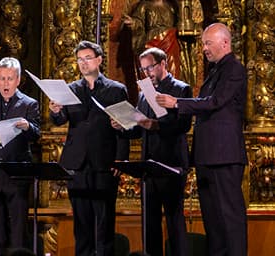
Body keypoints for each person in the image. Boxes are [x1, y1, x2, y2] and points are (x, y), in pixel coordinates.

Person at [156, 23, 248, 256]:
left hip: (224, 155)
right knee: (213, 221)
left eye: (208, 43)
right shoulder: (215, 71)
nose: (204, 48)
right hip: (207, 155)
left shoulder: (234, 69)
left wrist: (177, 102)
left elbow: (215, 102)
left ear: (225, 43)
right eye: (203, 43)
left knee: (229, 218)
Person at [49, 40, 128, 256]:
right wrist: (56, 111)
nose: (83, 63)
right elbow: (59, 120)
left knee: (103, 227)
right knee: (81, 227)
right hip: (77, 165)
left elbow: (124, 128)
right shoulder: (71, 89)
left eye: (87, 58)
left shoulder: (116, 90)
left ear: (99, 60)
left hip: (104, 163)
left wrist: (121, 159)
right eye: (79, 60)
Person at [113, 47, 191, 256]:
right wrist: (123, 127)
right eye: (144, 69)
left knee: (175, 221)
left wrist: (155, 125)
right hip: (149, 166)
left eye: (151, 67)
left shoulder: (181, 89)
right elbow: (139, 129)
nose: (147, 73)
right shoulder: (144, 95)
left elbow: (183, 126)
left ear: (163, 63)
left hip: (172, 164)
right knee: (150, 223)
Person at [0, 57, 40, 255]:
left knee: (18, 228)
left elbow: (37, 134)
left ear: (18, 80)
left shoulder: (29, 104)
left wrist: (28, 127)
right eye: (2, 79)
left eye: (10, 79)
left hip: (17, 172)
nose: (5, 83)